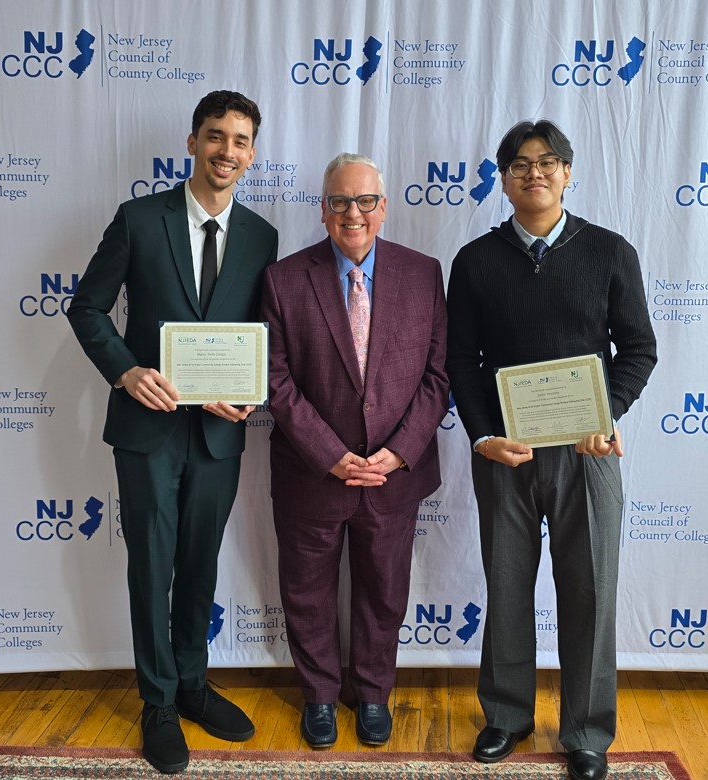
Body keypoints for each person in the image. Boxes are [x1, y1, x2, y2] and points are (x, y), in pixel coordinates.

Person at [67, 90, 278, 774]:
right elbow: (87, 308)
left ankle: (192, 684)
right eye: (215, 136)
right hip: (147, 429)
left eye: (240, 140)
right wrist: (127, 374)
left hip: (217, 436)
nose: (226, 150)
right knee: (151, 567)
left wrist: (246, 394)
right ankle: (156, 703)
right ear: (192, 143)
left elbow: (262, 339)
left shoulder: (261, 237)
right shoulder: (138, 218)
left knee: (200, 565)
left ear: (252, 154)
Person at [446, 120, 656, 780]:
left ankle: (587, 732)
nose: (532, 172)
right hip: (505, 455)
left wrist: (607, 414)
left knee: (589, 593)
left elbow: (638, 349)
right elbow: (460, 360)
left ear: (567, 172)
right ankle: (505, 718)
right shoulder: (474, 261)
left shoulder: (609, 252)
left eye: (547, 162)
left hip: (586, 455)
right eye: (518, 164)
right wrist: (482, 435)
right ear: (502, 179)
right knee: (506, 590)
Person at [260, 153, 449, 749]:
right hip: (312, 474)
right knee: (307, 590)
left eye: (365, 201)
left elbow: (437, 378)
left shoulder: (424, 274)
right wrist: (328, 452)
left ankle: (372, 694)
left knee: (384, 590)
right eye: (340, 201)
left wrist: (396, 453)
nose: (353, 213)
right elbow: (276, 379)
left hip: (393, 476)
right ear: (322, 209)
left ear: (383, 208)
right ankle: (318, 695)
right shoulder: (284, 278)